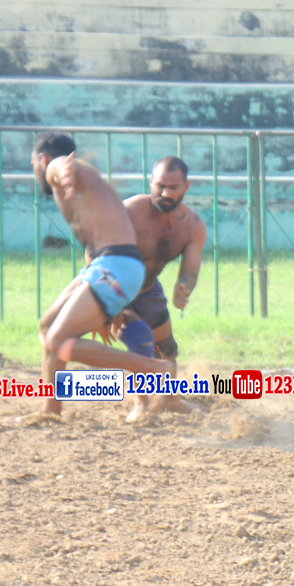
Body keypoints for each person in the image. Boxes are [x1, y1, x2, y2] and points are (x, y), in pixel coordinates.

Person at [24, 132, 175, 420]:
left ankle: (153, 367)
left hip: (116, 265)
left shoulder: (63, 167)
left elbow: (59, 166)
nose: (35, 171)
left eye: (34, 165)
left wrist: (62, 172)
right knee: (48, 327)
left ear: (42, 160)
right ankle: (50, 411)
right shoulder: (87, 179)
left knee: (57, 339)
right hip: (105, 265)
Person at [113, 156, 207, 420]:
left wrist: (183, 288)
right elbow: (94, 250)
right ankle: (140, 405)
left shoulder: (192, 226)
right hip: (113, 288)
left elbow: (190, 271)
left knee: (168, 350)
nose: (165, 193)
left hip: (148, 290)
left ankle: (170, 399)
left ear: (186, 186)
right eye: (160, 186)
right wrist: (111, 298)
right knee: (141, 339)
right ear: (150, 182)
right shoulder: (129, 210)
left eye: (173, 187)